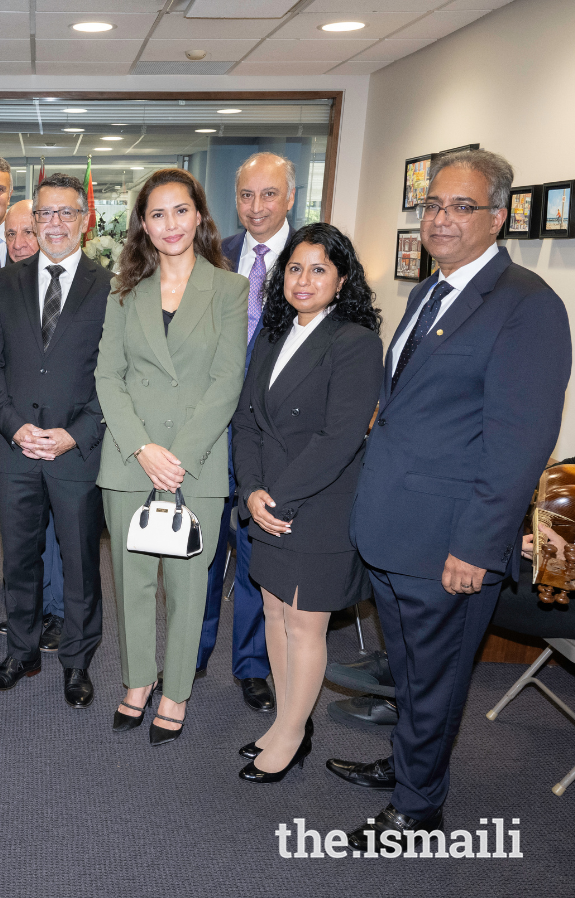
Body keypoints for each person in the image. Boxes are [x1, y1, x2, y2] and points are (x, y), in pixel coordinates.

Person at [341, 149, 571, 847]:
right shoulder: (429, 291)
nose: (441, 218)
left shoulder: (528, 307)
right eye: (433, 205)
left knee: (436, 681)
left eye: (460, 206)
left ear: (498, 217)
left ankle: (417, 811)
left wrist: (476, 545)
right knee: (410, 672)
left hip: (448, 543)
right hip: (395, 528)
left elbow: (518, 445)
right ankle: (409, 767)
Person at [95, 168, 247, 744]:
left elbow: (227, 381)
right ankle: (137, 681)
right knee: (130, 582)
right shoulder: (124, 290)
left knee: (188, 587)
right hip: (129, 459)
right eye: (157, 214)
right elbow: (108, 374)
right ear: (142, 225)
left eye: (180, 211)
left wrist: (176, 457)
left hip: (197, 463)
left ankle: (176, 689)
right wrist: (142, 447)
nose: (170, 224)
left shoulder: (229, 290)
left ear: (200, 215)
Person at [230, 223, 383, 782]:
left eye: (319, 269)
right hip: (266, 497)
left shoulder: (356, 342)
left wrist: (281, 496)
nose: (303, 279)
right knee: (273, 611)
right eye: (295, 267)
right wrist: (252, 491)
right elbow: (246, 419)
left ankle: (293, 735)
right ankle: (283, 721)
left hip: (318, 505)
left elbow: (341, 437)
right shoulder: (272, 335)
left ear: (341, 279)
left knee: (305, 626)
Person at [0, 172, 111, 707]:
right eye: (45, 214)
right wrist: (14, 425)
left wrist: (73, 435)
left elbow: (118, 375)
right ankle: (22, 652)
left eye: (66, 214)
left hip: (77, 450)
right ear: (32, 221)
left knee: (80, 563)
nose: (54, 224)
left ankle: (77, 662)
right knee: (20, 560)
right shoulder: (3, 283)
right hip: (14, 448)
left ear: (85, 220)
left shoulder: (112, 287)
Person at [197, 151, 298, 715]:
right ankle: (193, 649)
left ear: (289, 197)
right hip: (214, 431)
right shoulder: (216, 256)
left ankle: (252, 666)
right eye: (246, 196)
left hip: (272, 437)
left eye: (268, 194)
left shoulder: (312, 259)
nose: (256, 207)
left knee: (259, 555)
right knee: (203, 550)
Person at [0, 199, 66, 646]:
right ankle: (27, 612)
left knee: (58, 537)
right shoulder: (3, 285)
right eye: (11, 235)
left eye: (28, 233)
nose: (20, 244)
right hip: (14, 430)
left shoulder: (82, 283)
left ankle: (54, 611)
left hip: (65, 436)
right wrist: (13, 425)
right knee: (19, 538)